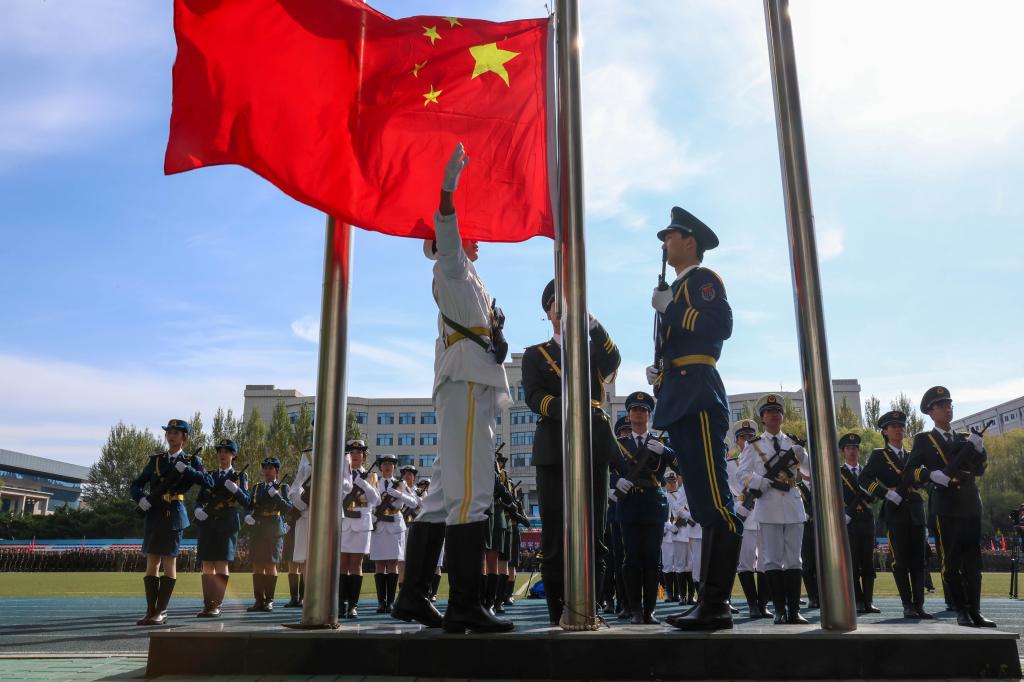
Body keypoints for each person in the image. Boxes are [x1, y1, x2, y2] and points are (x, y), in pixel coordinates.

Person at [392, 143, 514, 634]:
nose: (476, 237)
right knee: (473, 494)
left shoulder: (471, 280)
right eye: (470, 231)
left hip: (468, 381)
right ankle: (465, 603)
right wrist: (447, 190)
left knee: (442, 496)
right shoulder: (452, 266)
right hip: (464, 383)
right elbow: (446, 229)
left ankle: (413, 595)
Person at [648, 206, 743, 631]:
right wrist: (660, 371)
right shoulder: (677, 286)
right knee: (705, 506)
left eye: (670, 236)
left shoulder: (704, 280)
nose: (665, 243)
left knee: (717, 506)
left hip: (698, 394)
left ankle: (716, 603)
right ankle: (708, 601)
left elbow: (720, 325)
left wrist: (671, 309)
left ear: (690, 241)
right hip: (679, 395)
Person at [522, 278, 620, 625]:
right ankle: (557, 614)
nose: (563, 311)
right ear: (548, 313)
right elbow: (533, 396)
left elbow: (614, 358)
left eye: (570, 305)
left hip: (593, 441)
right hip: (554, 443)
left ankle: (590, 610)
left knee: (595, 534)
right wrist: (566, 406)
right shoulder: (535, 354)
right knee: (554, 535)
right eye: (557, 305)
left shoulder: (591, 349)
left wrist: (592, 323)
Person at [907, 386, 995, 628]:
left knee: (973, 563)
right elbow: (910, 470)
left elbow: (979, 470)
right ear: (930, 412)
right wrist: (930, 475)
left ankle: (976, 610)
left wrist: (980, 450)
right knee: (952, 562)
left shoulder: (965, 438)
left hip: (970, 503)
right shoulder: (923, 440)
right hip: (945, 506)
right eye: (941, 405)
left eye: (949, 404)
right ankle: (961, 611)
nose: (947, 409)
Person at [737, 394, 810, 625]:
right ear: (762, 418)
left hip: (793, 504)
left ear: (782, 416)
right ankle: (779, 610)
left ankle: (794, 611)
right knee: (771, 560)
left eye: (777, 411)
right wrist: (760, 481)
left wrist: (803, 457)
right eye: (769, 412)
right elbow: (741, 475)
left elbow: (809, 471)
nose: (774, 415)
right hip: (768, 505)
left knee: (794, 560)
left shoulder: (792, 443)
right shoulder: (754, 445)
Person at [130, 418, 211, 625]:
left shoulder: (192, 461)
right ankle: (150, 610)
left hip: (173, 514)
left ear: (184, 437)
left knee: (168, 561)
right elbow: (136, 484)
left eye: (176, 432)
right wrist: (141, 498)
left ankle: (162, 611)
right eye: (169, 432)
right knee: (152, 562)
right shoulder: (157, 460)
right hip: (154, 512)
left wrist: (187, 470)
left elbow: (208, 482)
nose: (171, 435)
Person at [611, 391, 677, 625]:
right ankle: (635, 610)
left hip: (653, 505)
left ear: (649, 415)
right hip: (628, 505)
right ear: (628, 415)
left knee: (652, 559)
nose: (639, 414)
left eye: (643, 410)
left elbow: (680, 465)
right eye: (635, 410)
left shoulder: (660, 443)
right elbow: (605, 469)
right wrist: (614, 483)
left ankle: (650, 610)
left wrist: (665, 451)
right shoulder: (619, 445)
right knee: (631, 559)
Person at [860, 410, 932, 619]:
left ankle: (919, 605)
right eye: (893, 426)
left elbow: (923, 479)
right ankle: (907, 605)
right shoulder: (879, 456)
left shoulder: (912, 456)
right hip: (896, 511)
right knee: (900, 561)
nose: (898, 429)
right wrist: (885, 493)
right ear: (884, 431)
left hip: (916, 510)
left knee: (919, 560)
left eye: (901, 426)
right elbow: (864, 478)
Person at [194, 438, 250, 617]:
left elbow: (247, 501)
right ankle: (207, 604)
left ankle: (216, 604)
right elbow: (200, 499)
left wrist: (236, 490)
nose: (222, 454)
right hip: (208, 522)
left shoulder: (240, 476)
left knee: (220, 563)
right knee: (207, 563)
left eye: (226, 451)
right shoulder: (210, 475)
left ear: (234, 455)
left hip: (227, 522)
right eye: (220, 451)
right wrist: (197, 510)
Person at [727, 419, 771, 618]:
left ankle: (763, 604)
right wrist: (738, 507)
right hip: (742, 515)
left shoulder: (764, 460)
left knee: (765, 561)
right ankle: (752, 604)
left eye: (751, 437)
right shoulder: (729, 465)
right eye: (743, 437)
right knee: (745, 561)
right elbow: (726, 493)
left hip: (764, 511)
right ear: (737, 441)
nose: (747, 440)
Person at [838, 432, 880, 614]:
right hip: (850, 522)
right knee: (853, 563)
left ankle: (869, 601)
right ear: (843, 451)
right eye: (848, 448)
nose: (852, 451)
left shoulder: (866, 472)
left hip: (867, 520)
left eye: (855, 448)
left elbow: (875, 496)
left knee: (868, 563)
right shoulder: (839, 473)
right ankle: (858, 600)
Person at [370, 454, 418, 614]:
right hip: (378, 524)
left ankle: (390, 602)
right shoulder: (375, 482)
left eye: (390, 464)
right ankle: (380, 602)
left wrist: (399, 494)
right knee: (379, 564)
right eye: (384, 464)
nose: (387, 466)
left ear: (394, 467)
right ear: (380, 467)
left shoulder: (401, 484)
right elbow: (368, 501)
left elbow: (414, 502)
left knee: (392, 564)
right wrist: (371, 516)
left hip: (395, 524)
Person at [244, 457, 293, 613]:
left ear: (277, 471)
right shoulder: (257, 488)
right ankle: (259, 600)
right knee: (257, 564)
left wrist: (276, 496)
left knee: (270, 564)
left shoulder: (283, 487)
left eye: (270, 468)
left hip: (273, 529)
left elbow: (288, 508)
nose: (267, 471)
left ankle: (269, 600)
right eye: (265, 468)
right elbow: (249, 505)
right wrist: (247, 516)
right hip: (258, 528)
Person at [340, 440, 380, 619]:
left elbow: (376, 500)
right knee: (342, 564)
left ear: (364, 456)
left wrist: (363, 484)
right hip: (344, 522)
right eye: (352, 452)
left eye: (359, 452)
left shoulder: (371, 476)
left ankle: (353, 605)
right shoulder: (341, 474)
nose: (355, 455)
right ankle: (340, 603)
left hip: (362, 522)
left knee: (356, 564)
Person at [606, 416, 633, 618]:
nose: (627, 435)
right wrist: (610, 492)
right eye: (624, 432)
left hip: (632, 512)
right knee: (613, 559)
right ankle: (611, 599)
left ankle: (629, 601)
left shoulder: (636, 456)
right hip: (613, 514)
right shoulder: (612, 457)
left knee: (629, 558)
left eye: (629, 432)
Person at [285, 449, 314, 608]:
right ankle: (299, 597)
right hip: (303, 516)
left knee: (312, 559)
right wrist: (297, 500)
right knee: (303, 558)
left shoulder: (334, 454)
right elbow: (295, 487)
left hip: (321, 515)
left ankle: (309, 596)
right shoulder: (307, 456)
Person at [661, 471, 690, 604]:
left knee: (681, 564)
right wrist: (667, 526)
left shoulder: (682, 495)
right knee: (668, 564)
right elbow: (661, 516)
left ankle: (679, 593)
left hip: (681, 533)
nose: (672, 484)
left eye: (674, 482)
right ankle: (669, 593)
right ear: (665, 484)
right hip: (668, 535)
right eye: (670, 482)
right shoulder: (663, 496)